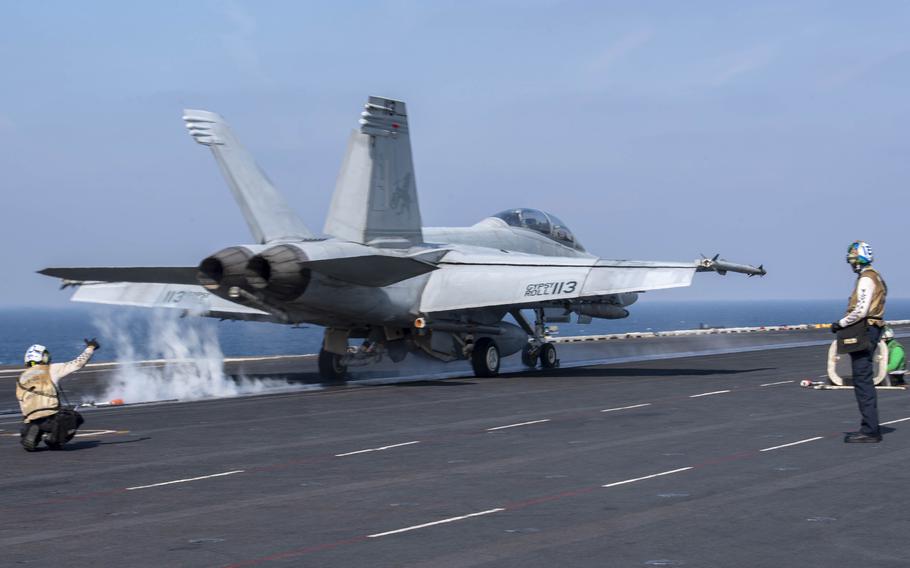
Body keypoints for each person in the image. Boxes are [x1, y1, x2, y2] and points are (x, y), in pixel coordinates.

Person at [831, 241, 887, 443]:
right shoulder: (876, 276)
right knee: (864, 380)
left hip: (865, 330)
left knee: (862, 380)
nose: (851, 264)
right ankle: (870, 427)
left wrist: (840, 323)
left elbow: (861, 310)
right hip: (874, 329)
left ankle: (870, 430)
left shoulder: (866, 278)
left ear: (859, 259)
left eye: (853, 260)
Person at [16, 338, 99, 451]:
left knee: (33, 424)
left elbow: (21, 402)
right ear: (41, 357)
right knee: (75, 417)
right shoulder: (51, 369)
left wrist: (28, 421)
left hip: (30, 419)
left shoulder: (21, 378)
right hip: (50, 417)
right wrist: (91, 348)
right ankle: (53, 439)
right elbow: (78, 363)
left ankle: (30, 433)